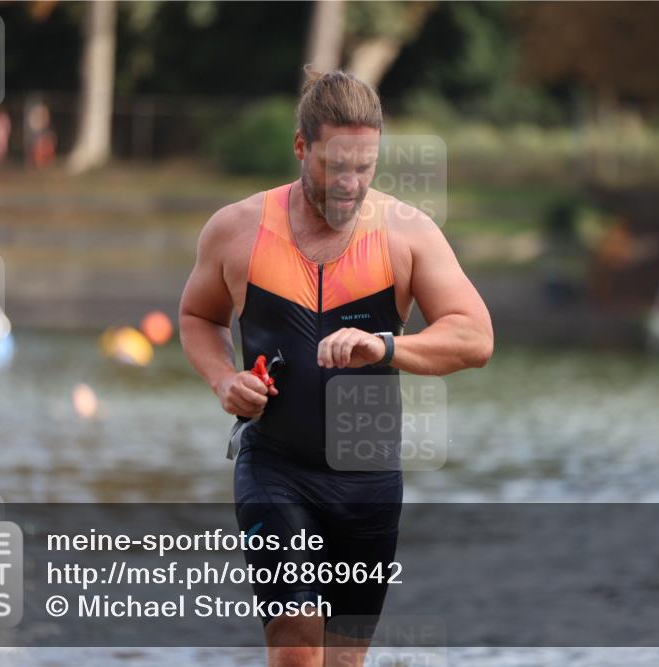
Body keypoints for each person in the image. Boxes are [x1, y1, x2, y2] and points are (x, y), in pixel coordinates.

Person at [179, 69, 493, 667]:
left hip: (368, 484)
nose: (350, 185)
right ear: (302, 147)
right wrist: (223, 379)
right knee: (297, 646)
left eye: (364, 168)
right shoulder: (237, 229)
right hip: (275, 467)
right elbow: (198, 316)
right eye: (335, 166)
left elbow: (475, 337)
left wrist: (386, 347)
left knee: (345, 662)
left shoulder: (407, 235)